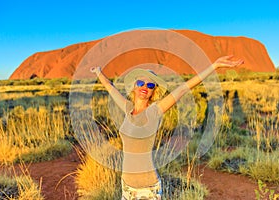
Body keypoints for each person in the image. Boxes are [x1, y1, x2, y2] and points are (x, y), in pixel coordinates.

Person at [91, 55, 244, 200]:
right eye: (141, 83)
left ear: (153, 91)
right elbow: (110, 87)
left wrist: (214, 65)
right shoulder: (127, 109)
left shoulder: (155, 111)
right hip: (126, 186)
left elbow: (183, 88)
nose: (145, 87)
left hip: (148, 188)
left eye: (150, 85)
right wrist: (98, 72)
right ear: (134, 86)